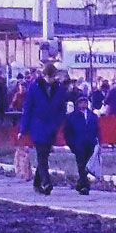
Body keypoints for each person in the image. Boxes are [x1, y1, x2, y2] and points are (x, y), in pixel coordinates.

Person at [19, 63, 67, 194]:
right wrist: (23, 129)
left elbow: (62, 108)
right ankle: (46, 182)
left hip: (51, 126)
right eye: (48, 77)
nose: (50, 79)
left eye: (53, 77)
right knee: (42, 155)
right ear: (44, 75)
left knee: (45, 154)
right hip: (38, 125)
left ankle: (36, 183)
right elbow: (27, 108)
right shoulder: (34, 87)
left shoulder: (59, 88)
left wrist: (57, 122)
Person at [63, 94, 100, 195]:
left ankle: (80, 183)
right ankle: (85, 186)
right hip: (78, 144)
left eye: (85, 102)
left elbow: (97, 130)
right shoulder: (71, 117)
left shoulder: (93, 116)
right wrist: (72, 145)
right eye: (81, 102)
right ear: (77, 104)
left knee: (87, 165)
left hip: (90, 144)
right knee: (81, 165)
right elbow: (67, 133)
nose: (83, 104)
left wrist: (97, 141)